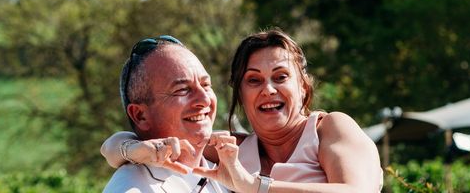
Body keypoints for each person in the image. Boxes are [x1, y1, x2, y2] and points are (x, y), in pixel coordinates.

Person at [102, 28, 383, 193]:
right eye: (253, 80)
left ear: (304, 87)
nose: (268, 89)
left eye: (281, 76)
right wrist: (133, 151)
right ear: (241, 95)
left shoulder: (330, 129)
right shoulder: (233, 150)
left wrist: (254, 186)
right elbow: (144, 141)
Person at [102, 35, 228, 193]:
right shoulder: (130, 188)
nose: (204, 99)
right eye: (182, 89)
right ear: (140, 115)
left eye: (206, 85)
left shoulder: (231, 171)